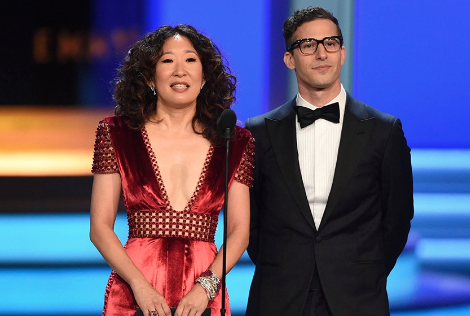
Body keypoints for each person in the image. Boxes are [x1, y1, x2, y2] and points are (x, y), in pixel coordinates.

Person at [244, 6, 413, 316]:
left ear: (342, 53)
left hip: (358, 296)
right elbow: (250, 222)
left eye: (330, 43)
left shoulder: (384, 130)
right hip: (279, 295)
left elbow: (397, 219)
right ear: (289, 59)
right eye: (308, 44)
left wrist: (360, 271)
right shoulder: (257, 132)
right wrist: (284, 266)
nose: (322, 53)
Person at [90, 24, 254, 316]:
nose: (180, 70)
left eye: (190, 60)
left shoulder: (234, 140)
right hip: (133, 293)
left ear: (204, 76)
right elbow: (100, 228)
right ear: (150, 77)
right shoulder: (115, 133)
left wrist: (206, 287)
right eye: (167, 60)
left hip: (204, 295)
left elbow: (240, 231)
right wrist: (140, 287)